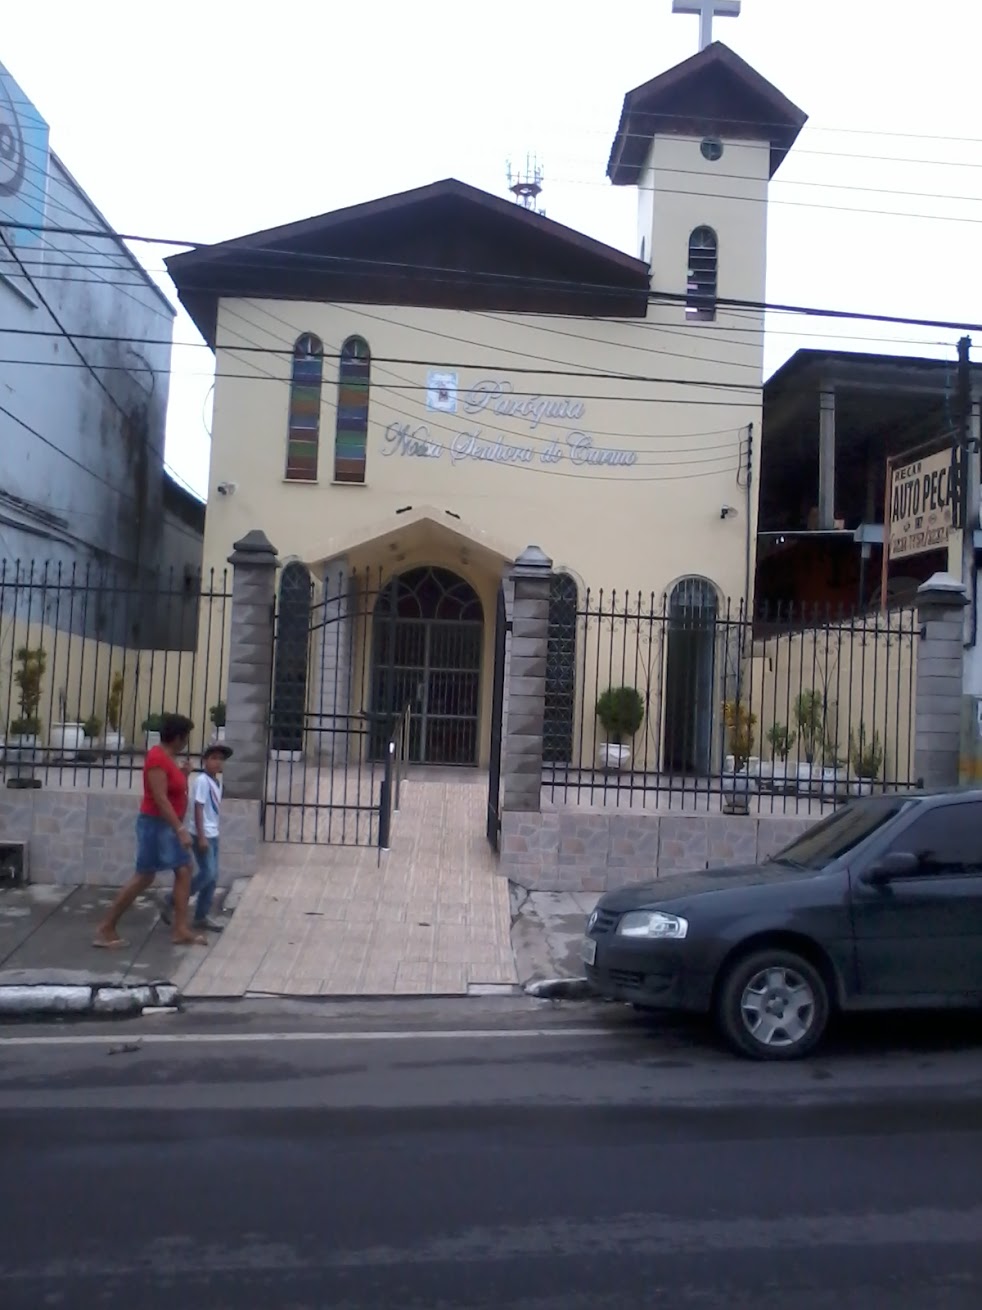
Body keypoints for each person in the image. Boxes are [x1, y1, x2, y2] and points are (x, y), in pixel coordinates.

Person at [94, 712, 206, 949]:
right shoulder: (157, 758)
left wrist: (183, 775)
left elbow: (172, 790)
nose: (187, 742)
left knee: (184, 870)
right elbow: (159, 798)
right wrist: (179, 828)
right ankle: (106, 927)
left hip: (164, 825)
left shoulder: (167, 757)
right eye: (186, 737)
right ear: (177, 737)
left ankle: (180, 929)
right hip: (157, 825)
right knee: (145, 876)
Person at [159, 742, 231, 933]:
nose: (217, 762)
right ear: (205, 760)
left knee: (213, 877)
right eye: (213, 758)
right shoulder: (202, 781)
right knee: (208, 873)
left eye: (221, 759)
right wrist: (201, 837)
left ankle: (201, 916)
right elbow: (198, 808)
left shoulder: (216, 781)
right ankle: (173, 900)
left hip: (212, 833)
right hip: (203, 833)